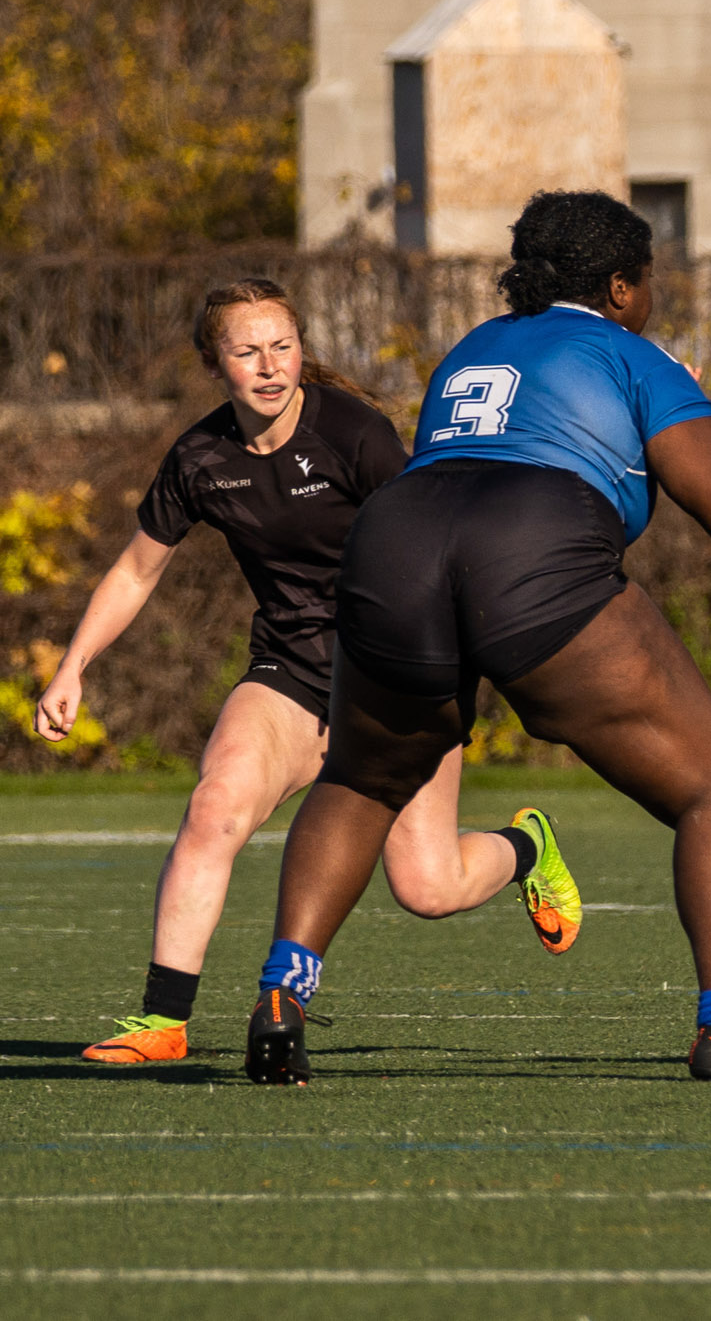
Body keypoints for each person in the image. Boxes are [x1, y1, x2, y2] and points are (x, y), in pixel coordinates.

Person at [242, 189, 711, 1085]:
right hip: (529, 541)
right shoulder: (632, 352)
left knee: (364, 777)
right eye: (650, 283)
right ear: (621, 284)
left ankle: (285, 987)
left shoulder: (472, 346)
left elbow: (460, 472)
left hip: (395, 537)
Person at [34, 278, 578, 1066]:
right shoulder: (200, 458)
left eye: (282, 345)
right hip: (288, 670)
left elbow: (431, 535)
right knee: (215, 805)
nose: (269, 365)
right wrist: (71, 666)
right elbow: (137, 571)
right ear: (214, 362)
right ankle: (162, 1021)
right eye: (247, 350)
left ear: (301, 350)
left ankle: (529, 845)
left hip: (397, 672)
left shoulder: (353, 433)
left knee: (428, 886)